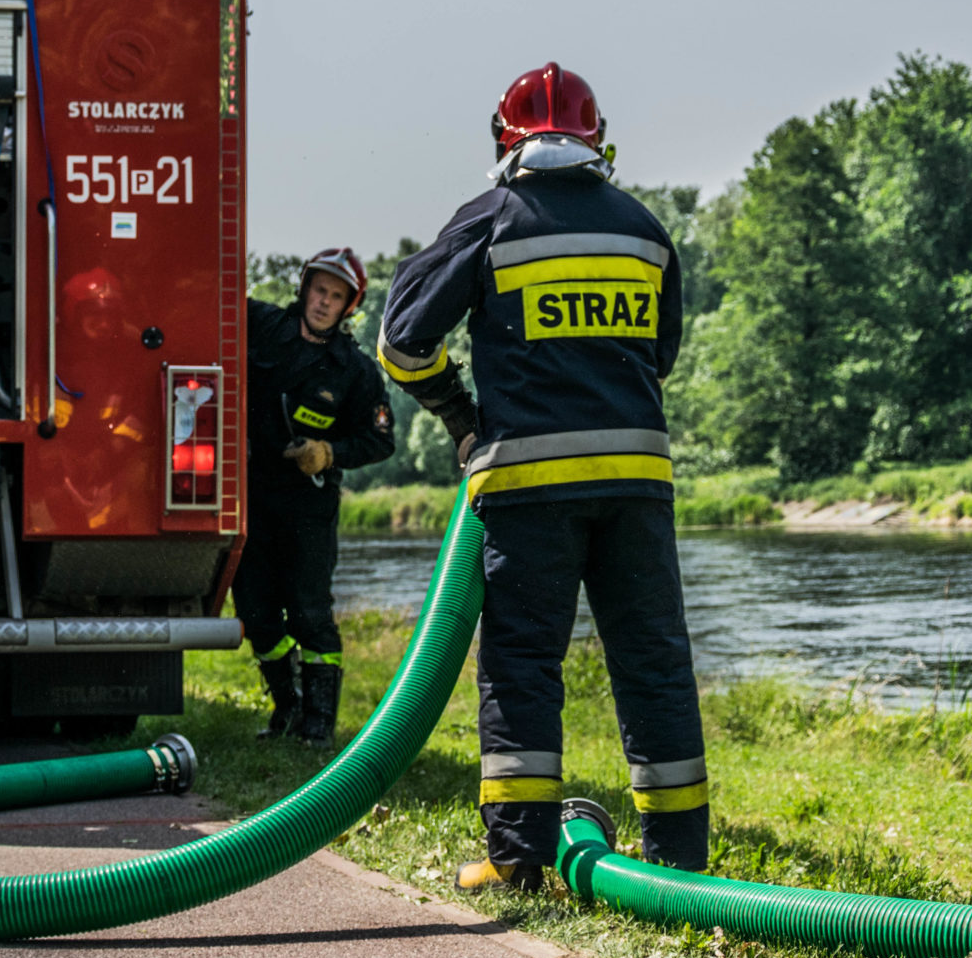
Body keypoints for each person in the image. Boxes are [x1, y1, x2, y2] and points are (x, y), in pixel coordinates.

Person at [377, 62, 704, 892]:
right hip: (636, 484)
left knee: (524, 665)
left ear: (504, 139)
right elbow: (660, 354)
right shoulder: (644, 228)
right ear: (600, 142)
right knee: (654, 663)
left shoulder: (491, 219)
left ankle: (518, 858)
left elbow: (402, 342)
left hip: (528, 487)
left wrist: (461, 417)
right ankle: (681, 862)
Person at [238, 248, 397, 747]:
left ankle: (318, 726)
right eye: (319, 290)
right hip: (251, 497)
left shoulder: (355, 370)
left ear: (349, 307)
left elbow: (381, 441)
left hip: (309, 505)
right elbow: (213, 301)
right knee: (256, 612)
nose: (324, 302)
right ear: (304, 288)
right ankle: (286, 708)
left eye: (336, 296)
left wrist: (329, 453)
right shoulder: (264, 326)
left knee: (309, 612)